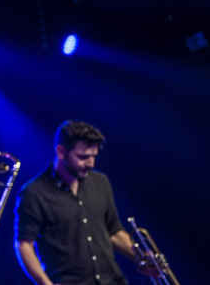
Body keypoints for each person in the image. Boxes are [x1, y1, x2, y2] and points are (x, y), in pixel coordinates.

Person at [14, 120, 150, 285]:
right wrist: (45, 283)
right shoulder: (34, 192)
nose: (91, 164)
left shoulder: (101, 182)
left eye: (94, 156)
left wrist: (141, 258)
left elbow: (114, 232)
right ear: (61, 152)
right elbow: (24, 245)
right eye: (83, 157)